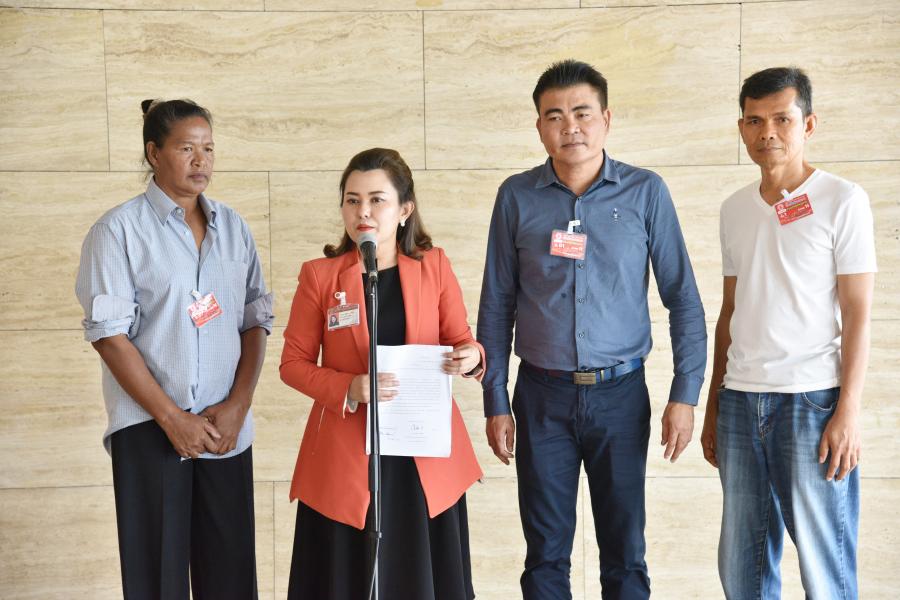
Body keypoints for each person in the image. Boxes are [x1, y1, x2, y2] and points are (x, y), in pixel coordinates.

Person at [477, 59, 707, 600]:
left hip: (621, 396)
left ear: (606, 119)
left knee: (625, 555)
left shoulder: (646, 192)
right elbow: (496, 303)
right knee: (544, 557)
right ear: (539, 127)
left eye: (582, 113)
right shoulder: (516, 197)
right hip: (541, 397)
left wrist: (685, 394)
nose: (570, 127)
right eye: (554, 116)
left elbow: (683, 299)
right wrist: (495, 400)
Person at [75, 99, 273, 600]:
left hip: (225, 430)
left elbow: (256, 321)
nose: (201, 160)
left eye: (209, 149)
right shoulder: (117, 231)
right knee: (157, 582)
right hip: (150, 429)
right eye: (186, 148)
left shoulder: (235, 228)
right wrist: (171, 418)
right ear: (154, 153)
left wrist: (239, 404)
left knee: (231, 581)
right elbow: (109, 337)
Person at [700, 67, 876, 599]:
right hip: (740, 402)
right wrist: (714, 403)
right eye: (754, 121)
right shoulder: (735, 209)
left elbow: (859, 312)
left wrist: (848, 411)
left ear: (809, 124)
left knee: (825, 571)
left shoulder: (843, 199)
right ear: (741, 127)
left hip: (812, 403)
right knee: (742, 571)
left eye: (782, 119)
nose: (767, 132)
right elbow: (730, 311)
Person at [280, 147, 484, 600]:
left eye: (377, 200)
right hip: (347, 455)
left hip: (421, 451)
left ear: (404, 209)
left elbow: (462, 339)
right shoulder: (321, 277)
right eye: (352, 200)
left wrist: (470, 356)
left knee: (420, 576)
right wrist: (348, 387)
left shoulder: (434, 266)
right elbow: (292, 365)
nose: (363, 212)